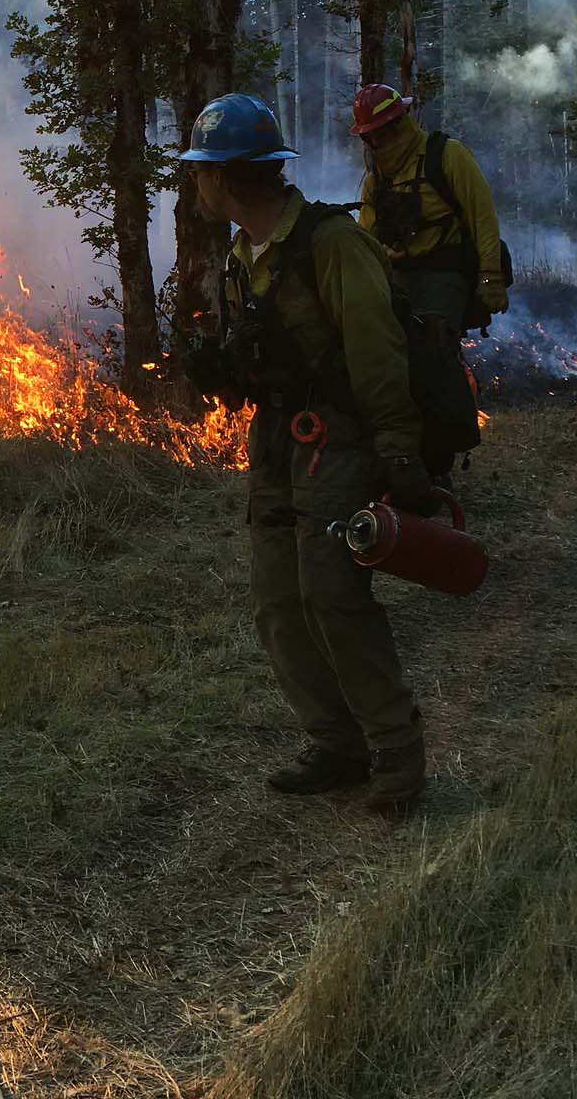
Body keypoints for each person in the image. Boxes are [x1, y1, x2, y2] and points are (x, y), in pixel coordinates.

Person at [183, 93, 438, 814]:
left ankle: (396, 753)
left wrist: (397, 452)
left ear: (228, 176)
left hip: (338, 439)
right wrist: (226, 373)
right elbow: (272, 357)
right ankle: (337, 744)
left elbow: (377, 350)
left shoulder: (331, 242)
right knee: (277, 601)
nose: (194, 184)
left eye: (202, 171)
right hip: (277, 442)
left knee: (332, 595)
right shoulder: (244, 253)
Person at [351, 84, 506, 341]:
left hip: (444, 272)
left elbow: (483, 217)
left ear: (399, 123)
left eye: (380, 131)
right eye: (371, 135)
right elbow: (367, 241)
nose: (376, 140)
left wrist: (490, 276)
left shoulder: (447, 156)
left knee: (433, 346)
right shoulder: (375, 180)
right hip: (396, 276)